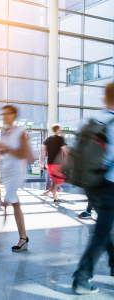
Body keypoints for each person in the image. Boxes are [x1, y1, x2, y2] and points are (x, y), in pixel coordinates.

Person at [72, 82, 114, 295]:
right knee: (102, 231)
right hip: (109, 186)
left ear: (104, 98)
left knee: (105, 227)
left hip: (90, 184)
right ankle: (81, 278)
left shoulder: (92, 121)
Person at [0, 105, 30, 252]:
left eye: (7, 114)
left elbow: (22, 154)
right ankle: (23, 237)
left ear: (14, 115)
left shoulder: (20, 132)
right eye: (3, 114)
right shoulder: (6, 133)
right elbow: (7, 154)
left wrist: (4, 147)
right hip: (7, 173)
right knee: (15, 205)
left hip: (16, 173)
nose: (4, 117)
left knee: (6, 203)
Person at [39, 124, 68, 203]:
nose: (60, 130)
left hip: (49, 164)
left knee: (54, 181)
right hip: (58, 164)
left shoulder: (47, 139)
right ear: (58, 129)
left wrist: (41, 162)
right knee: (61, 180)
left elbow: (43, 152)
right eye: (60, 129)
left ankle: (55, 198)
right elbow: (65, 151)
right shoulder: (60, 139)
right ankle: (48, 192)